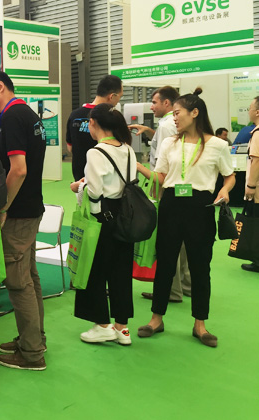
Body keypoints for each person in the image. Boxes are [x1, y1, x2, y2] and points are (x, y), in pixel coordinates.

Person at [136, 88, 235, 347]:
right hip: (170, 205)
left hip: (201, 208)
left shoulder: (218, 145)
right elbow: (160, 178)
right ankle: (156, 319)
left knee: (200, 267)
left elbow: (229, 175)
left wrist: (225, 190)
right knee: (165, 264)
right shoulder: (169, 143)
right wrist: (138, 167)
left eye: (178, 113)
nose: (174, 117)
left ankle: (200, 324)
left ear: (195, 113)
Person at [0, 70, 48, 371]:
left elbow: (18, 169)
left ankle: (32, 353)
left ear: (0, 86)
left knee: (19, 283)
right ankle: (34, 339)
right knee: (29, 277)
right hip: (32, 207)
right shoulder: (28, 114)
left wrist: (2, 207)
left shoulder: (12, 116)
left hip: (19, 212)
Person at [70, 104, 136, 346]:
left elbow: (95, 191)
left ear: (94, 124)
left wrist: (79, 186)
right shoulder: (127, 149)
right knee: (121, 272)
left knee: (94, 270)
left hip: (102, 217)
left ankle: (102, 324)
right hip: (125, 215)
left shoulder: (96, 152)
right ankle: (122, 327)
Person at [131, 86, 191, 304]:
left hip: (165, 184)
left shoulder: (167, 125)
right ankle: (186, 284)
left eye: (155, 102)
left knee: (169, 239)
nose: (151, 106)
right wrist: (149, 131)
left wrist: (146, 175)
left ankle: (171, 289)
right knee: (183, 238)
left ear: (167, 103)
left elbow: (163, 163)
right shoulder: (172, 126)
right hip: (184, 187)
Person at [66, 75, 123, 181]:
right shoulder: (111, 117)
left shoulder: (74, 115)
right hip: (106, 175)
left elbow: (70, 147)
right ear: (112, 96)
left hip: (79, 175)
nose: (118, 101)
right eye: (120, 97)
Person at [240, 96, 259, 273]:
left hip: (258, 189)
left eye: (250, 108)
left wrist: (251, 186)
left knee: (255, 222)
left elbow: (256, 161)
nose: (249, 111)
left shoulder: (257, 133)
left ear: (257, 112)